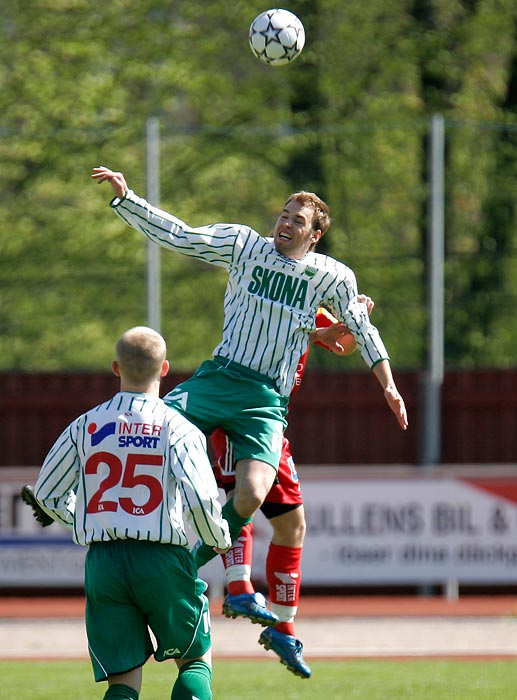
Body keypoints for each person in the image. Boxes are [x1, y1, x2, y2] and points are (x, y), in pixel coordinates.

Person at [91, 166, 408, 579]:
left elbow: (359, 330)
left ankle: (186, 565)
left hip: (266, 400)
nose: (285, 223)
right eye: (284, 214)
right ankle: (112, 515)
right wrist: (127, 199)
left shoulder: (332, 276)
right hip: (221, 378)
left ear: (314, 236)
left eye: (298, 220)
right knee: (149, 428)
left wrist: (389, 385)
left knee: (253, 493)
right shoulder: (243, 244)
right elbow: (181, 235)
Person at [31, 326, 231, 700]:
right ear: (165, 368)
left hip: (104, 563)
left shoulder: (84, 425)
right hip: (162, 558)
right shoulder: (180, 429)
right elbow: (202, 502)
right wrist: (219, 540)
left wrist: (85, 520)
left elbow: (46, 493)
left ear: (115, 368)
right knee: (194, 659)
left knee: (122, 679)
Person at [212, 304, 371, 679]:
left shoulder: (310, 299)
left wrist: (356, 318)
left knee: (293, 527)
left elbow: (347, 344)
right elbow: (271, 338)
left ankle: (282, 628)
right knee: (243, 498)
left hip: (270, 422)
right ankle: (238, 588)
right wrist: (316, 334)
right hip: (239, 406)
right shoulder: (262, 287)